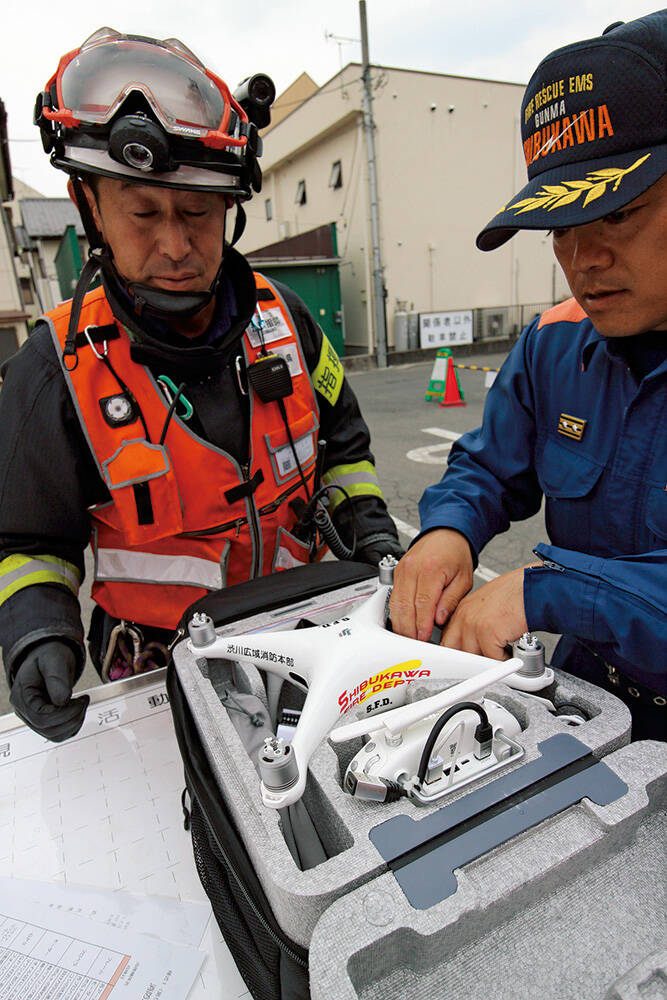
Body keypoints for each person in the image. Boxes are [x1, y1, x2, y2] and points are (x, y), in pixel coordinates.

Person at [0, 28, 402, 743]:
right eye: (144, 213)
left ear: (230, 207)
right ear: (89, 204)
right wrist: (37, 628)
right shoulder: (53, 369)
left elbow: (345, 452)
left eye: (198, 213)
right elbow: (28, 540)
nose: (177, 247)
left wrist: (370, 532)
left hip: (305, 637)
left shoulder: (292, 324)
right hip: (160, 667)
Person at [390, 11, 666, 741]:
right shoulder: (553, 340)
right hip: (588, 704)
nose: (583, 258)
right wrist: (445, 532)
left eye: (616, 213)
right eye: (559, 227)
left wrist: (555, 591)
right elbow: (486, 467)